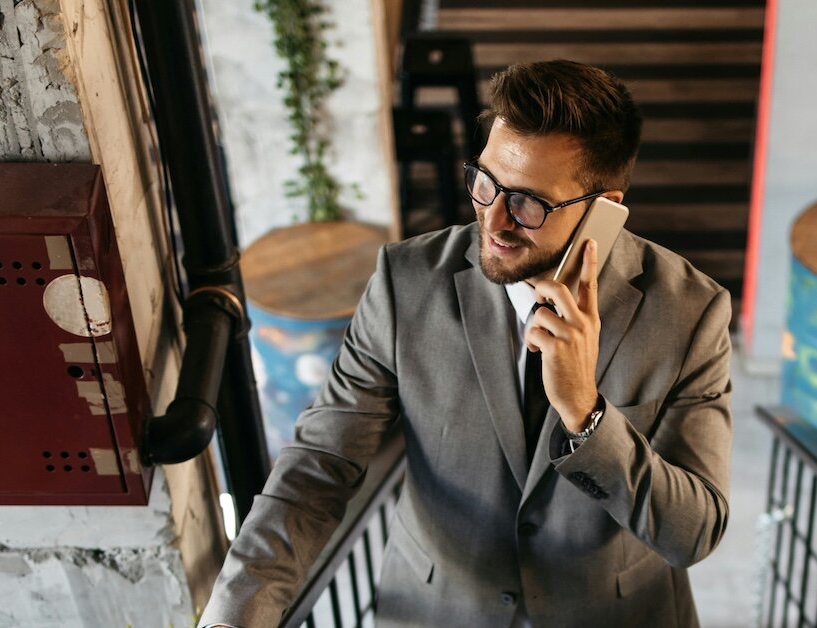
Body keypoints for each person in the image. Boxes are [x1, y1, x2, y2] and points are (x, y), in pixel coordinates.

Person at [200, 59, 733, 628]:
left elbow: (694, 532)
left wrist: (586, 415)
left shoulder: (690, 313)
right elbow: (317, 467)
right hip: (437, 610)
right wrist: (232, 617)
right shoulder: (405, 284)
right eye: (485, 182)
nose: (494, 220)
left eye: (529, 203)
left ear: (606, 209)